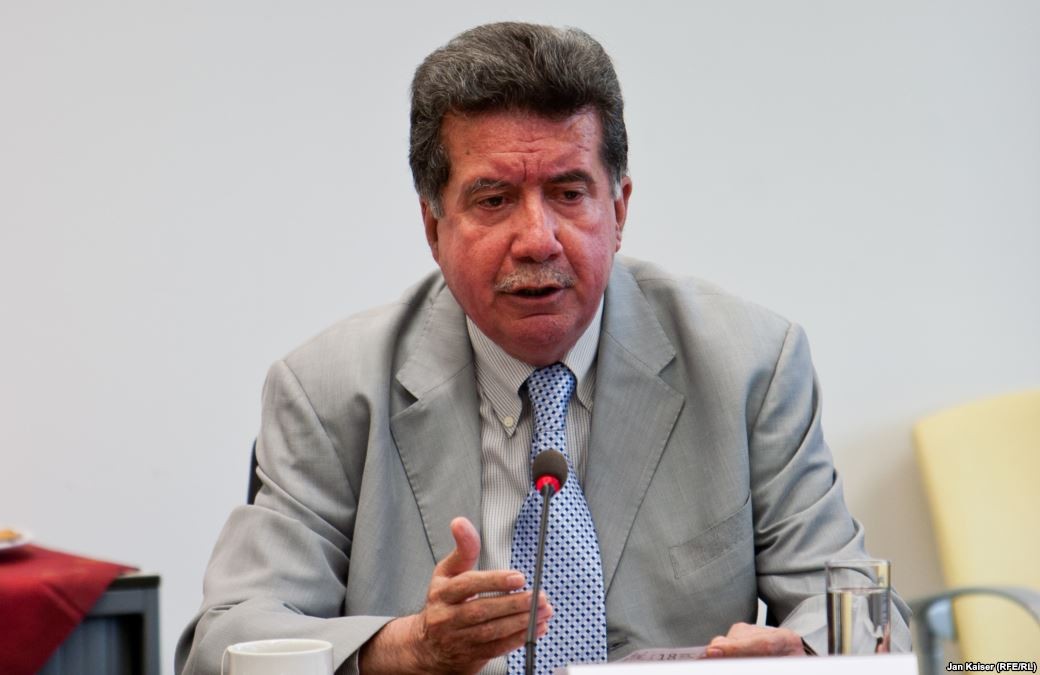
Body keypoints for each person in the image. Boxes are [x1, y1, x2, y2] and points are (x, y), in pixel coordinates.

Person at [176, 22, 910, 675]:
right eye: (493, 199)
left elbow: (860, 610)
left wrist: (805, 656)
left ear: (618, 209)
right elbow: (225, 641)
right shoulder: (329, 390)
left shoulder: (750, 364)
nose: (537, 239)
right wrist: (410, 649)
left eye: (569, 192)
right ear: (433, 226)